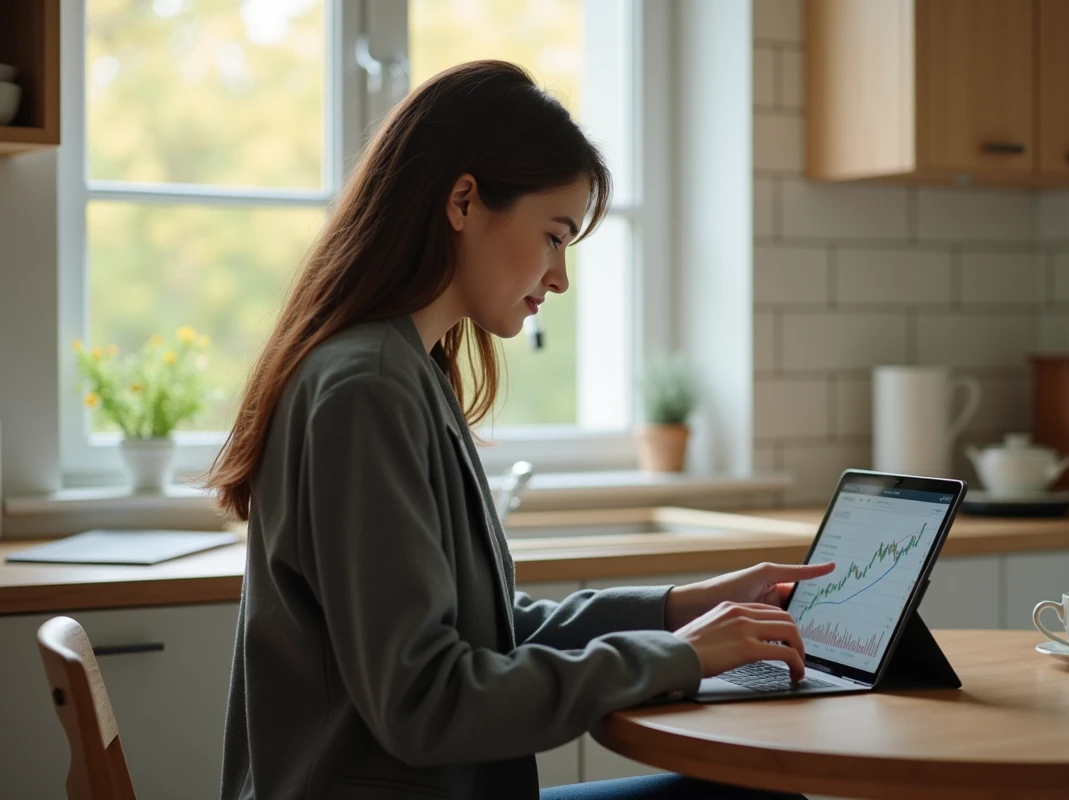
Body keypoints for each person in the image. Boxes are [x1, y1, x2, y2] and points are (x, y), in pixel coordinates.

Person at [206, 60, 835, 800]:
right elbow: (426, 701)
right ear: (464, 201)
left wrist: (677, 611)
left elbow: (485, 632)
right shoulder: (368, 387)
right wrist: (679, 656)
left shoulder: (401, 370)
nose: (560, 276)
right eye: (554, 235)